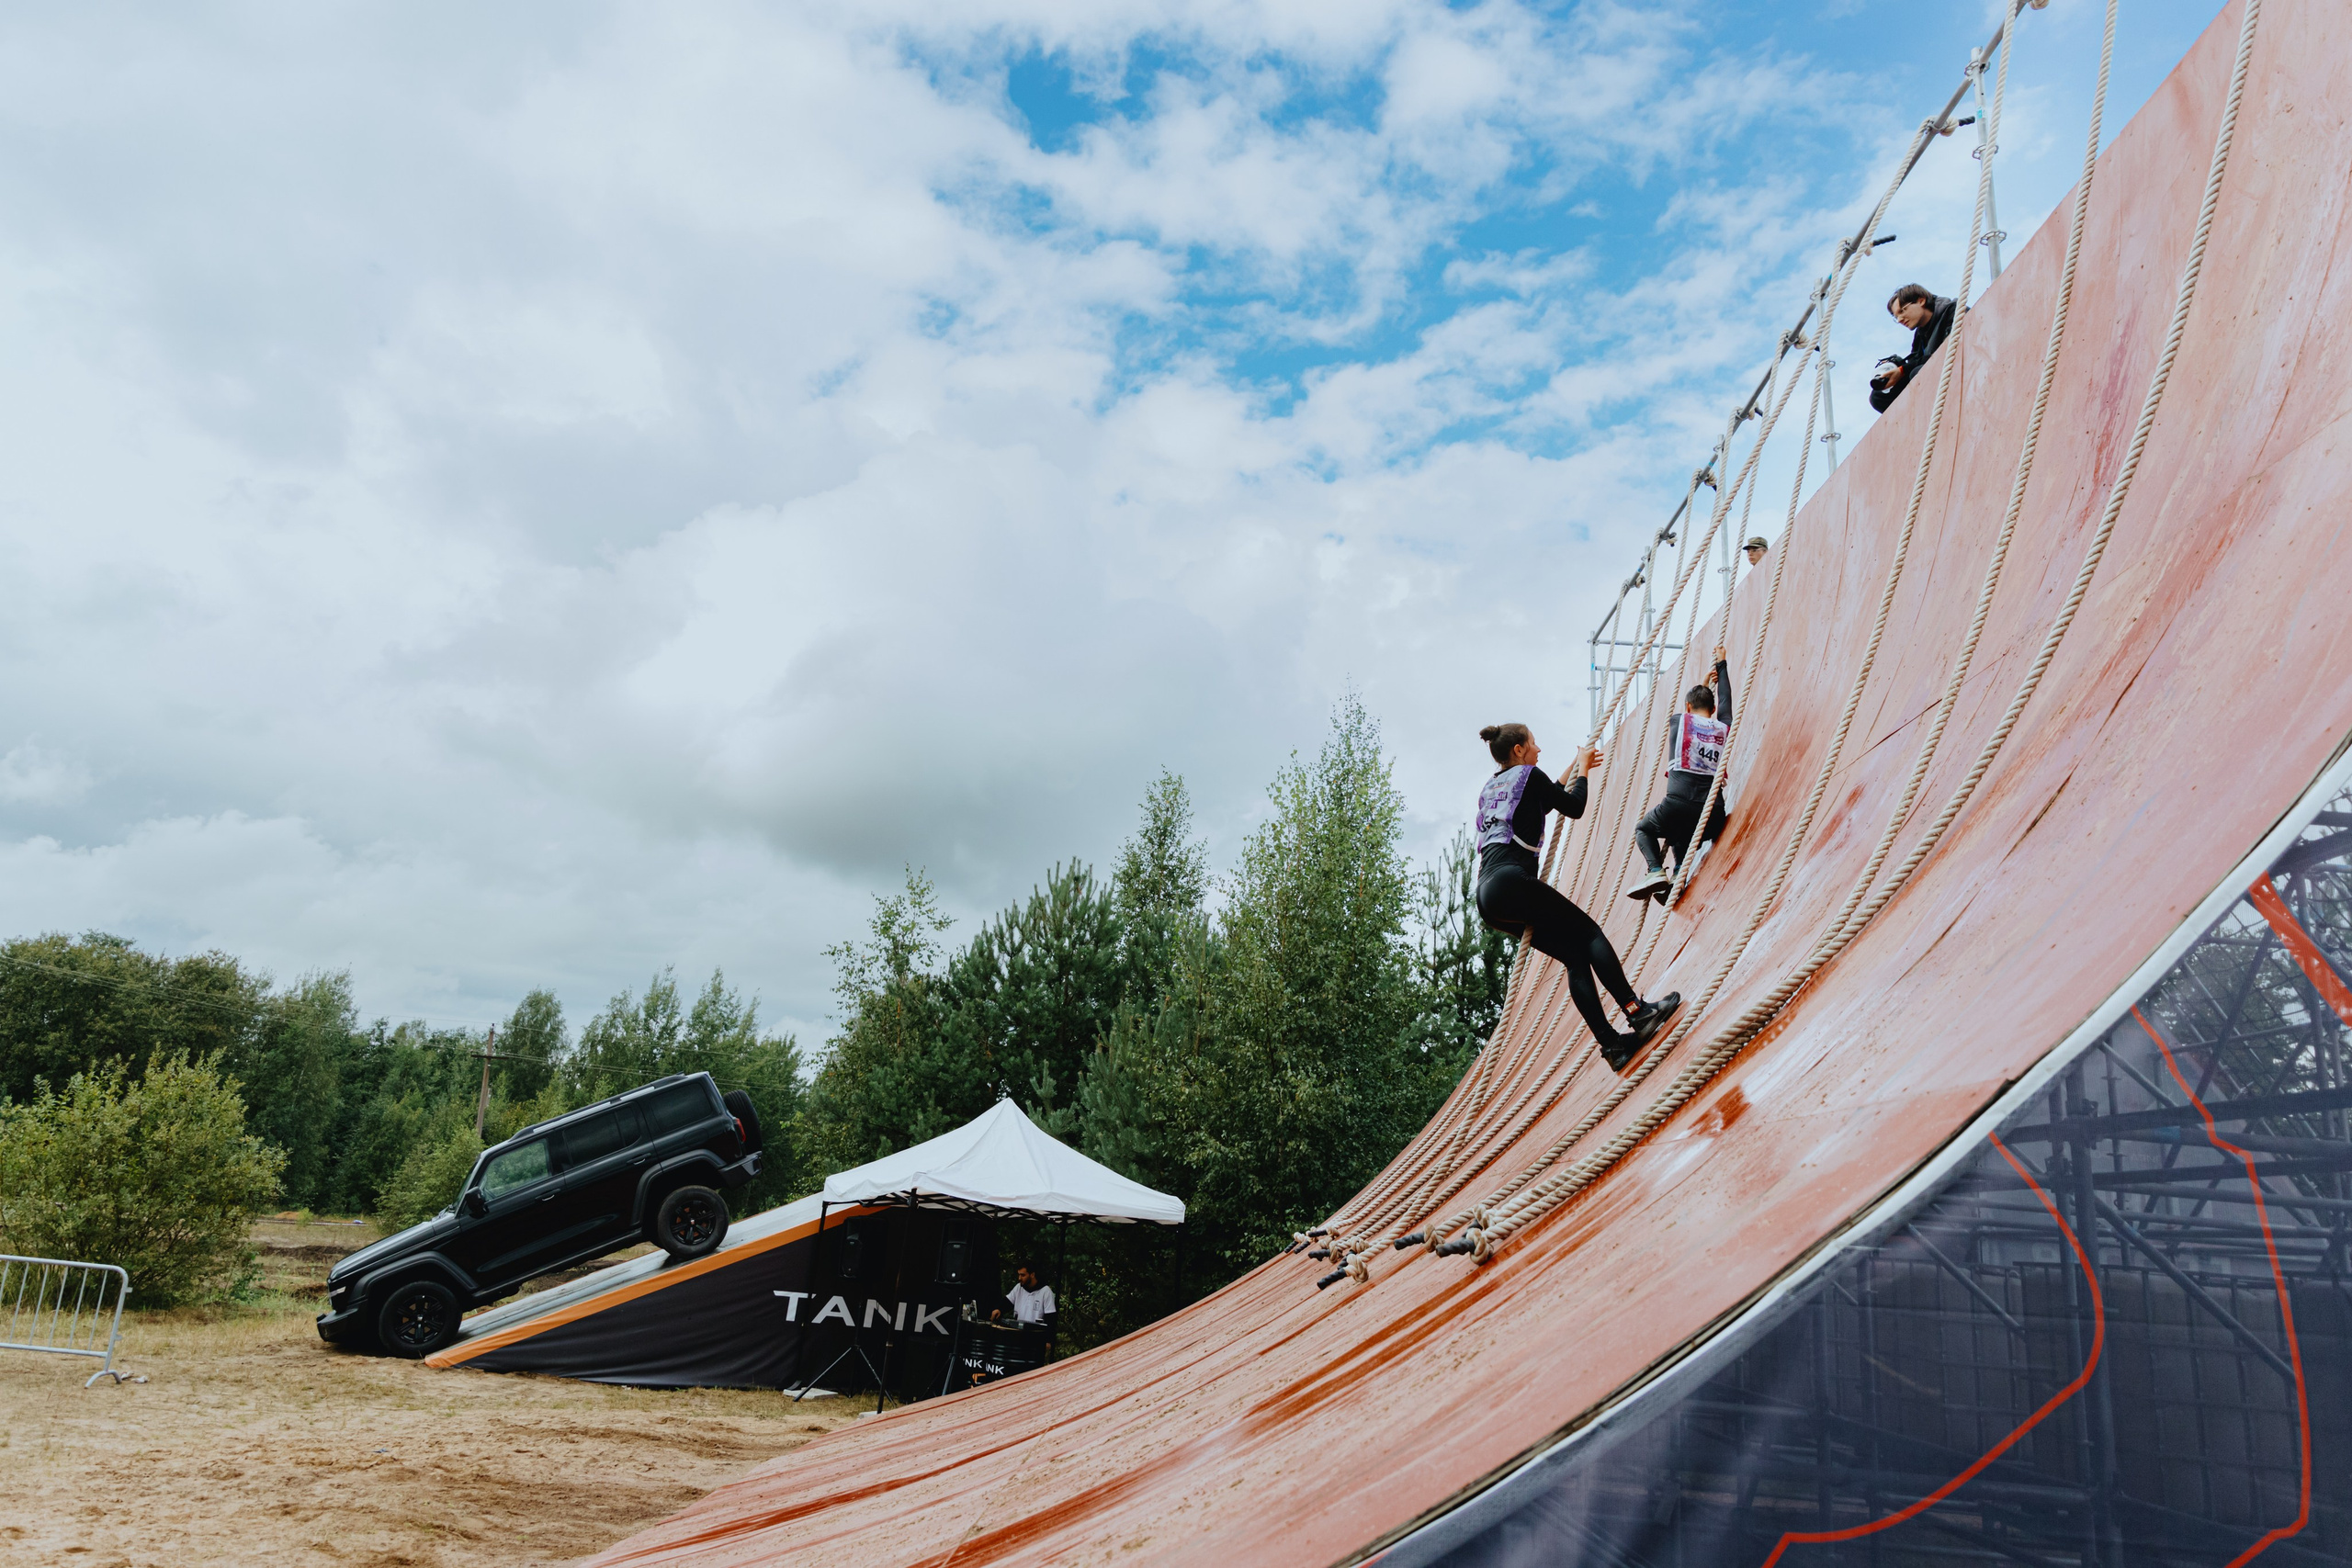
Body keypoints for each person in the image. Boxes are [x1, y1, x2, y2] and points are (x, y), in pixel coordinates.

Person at [1473, 724, 1681, 1072]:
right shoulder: (1529, 773)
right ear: (1520, 750)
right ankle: (1637, 1011)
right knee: (1590, 934)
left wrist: (1577, 762)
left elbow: (1546, 797)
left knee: (1573, 956)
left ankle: (1612, 1046)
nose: (1539, 749)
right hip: (1512, 881)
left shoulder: (1495, 785)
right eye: (1534, 743)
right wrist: (1583, 769)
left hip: (1487, 897)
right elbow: (1573, 806)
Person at [1625, 646, 1735, 904]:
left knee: (1644, 828)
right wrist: (1722, 665)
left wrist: (1703, 683)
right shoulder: (1724, 727)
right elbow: (1727, 703)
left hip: (1678, 806)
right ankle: (1677, 874)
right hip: (1713, 815)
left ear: (1687, 706)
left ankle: (1654, 871)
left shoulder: (1679, 722)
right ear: (1713, 707)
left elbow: (1691, 713)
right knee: (1681, 831)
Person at [1869, 284, 1957, 412]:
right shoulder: (1920, 334)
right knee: (1879, 397)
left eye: (1902, 311)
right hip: (1934, 379)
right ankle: (1916, 425)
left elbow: (1949, 351)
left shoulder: (1953, 311)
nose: (1899, 319)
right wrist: (1898, 368)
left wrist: (1903, 370)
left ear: (1921, 301)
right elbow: (1917, 360)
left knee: (1918, 373)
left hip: (1958, 370)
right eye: (1896, 317)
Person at [991, 1263, 1056, 1334]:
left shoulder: (1045, 1291)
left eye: (1023, 1275)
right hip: (1018, 1334)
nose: (1019, 1278)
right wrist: (999, 1309)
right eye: (1019, 1275)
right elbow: (1007, 1302)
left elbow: (1051, 1318)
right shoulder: (1019, 1288)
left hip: (1036, 1335)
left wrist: (1049, 1341)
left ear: (1032, 1275)